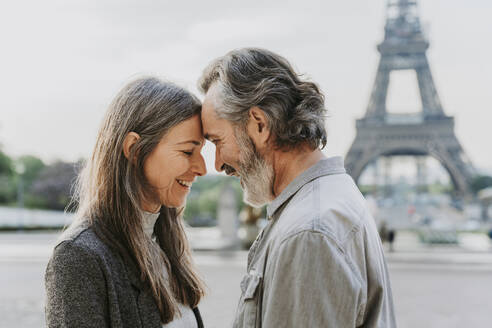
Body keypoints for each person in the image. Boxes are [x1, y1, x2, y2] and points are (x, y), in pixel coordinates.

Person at [199, 48, 396, 327]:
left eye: (217, 141)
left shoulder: (309, 232)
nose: (217, 164)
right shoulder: (328, 201)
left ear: (259, 124)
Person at [45, 77, 207, 327]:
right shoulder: (78, 256)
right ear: (134, 148)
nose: (201, 168)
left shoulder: (165, 243)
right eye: (187, 151)